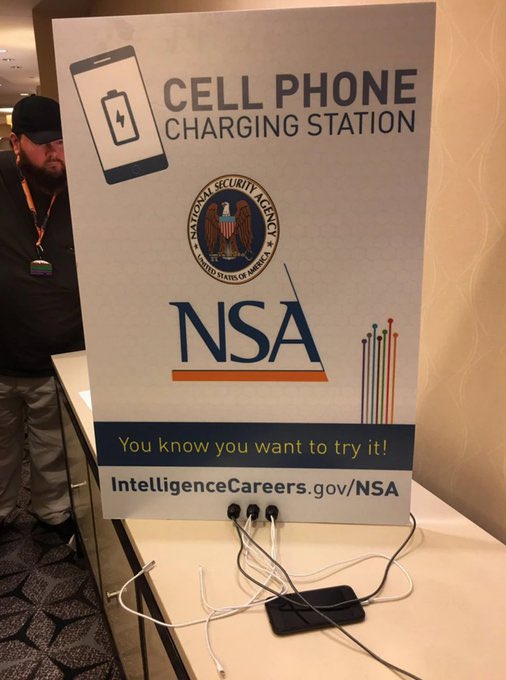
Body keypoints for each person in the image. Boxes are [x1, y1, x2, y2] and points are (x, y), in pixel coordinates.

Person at [0, 95, 84, 541]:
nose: (56, 153)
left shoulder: (82, 185)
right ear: (17, 143)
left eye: (63, 142)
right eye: (44, 143)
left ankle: (52, 515)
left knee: (54, 448)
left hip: (61, 357)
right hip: (3, 356)